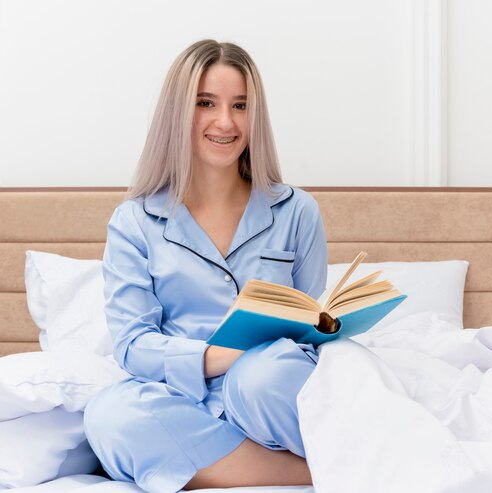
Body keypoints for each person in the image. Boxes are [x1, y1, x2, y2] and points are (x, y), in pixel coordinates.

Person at [83, 39, 328, 493]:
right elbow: (133, 345)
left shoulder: (297, 211)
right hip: (183, 396)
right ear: (178, 113)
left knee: (261, 379)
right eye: (205, 103)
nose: (226, 122)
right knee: (110, 416)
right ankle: (314, 471)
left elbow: (314, 332)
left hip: (273, 394)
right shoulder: (135, 221)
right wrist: (215, 359)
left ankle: (208, 463)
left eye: (240, 105)